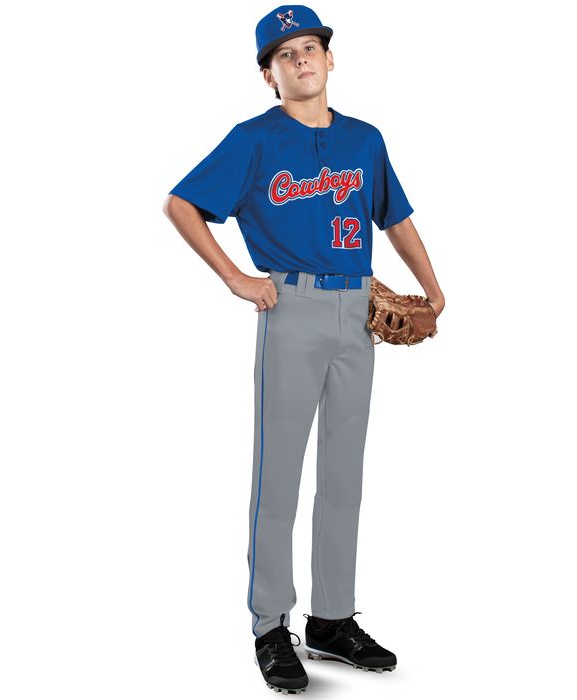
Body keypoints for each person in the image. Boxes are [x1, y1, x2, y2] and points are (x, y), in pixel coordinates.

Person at [163, 5, 445, 694]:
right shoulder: (253, 140)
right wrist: (236, 277)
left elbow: (396, 218)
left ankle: (331, 620)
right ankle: (270, 625)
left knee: (344, 476)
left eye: (309, 47)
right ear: (270, 75)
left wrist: (434, 289)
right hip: (290, 307)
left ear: (330, 58)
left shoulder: (365, 139)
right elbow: (181, 204)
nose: (300, 60)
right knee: (280, 477)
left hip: (359, 310)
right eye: (284, 54)